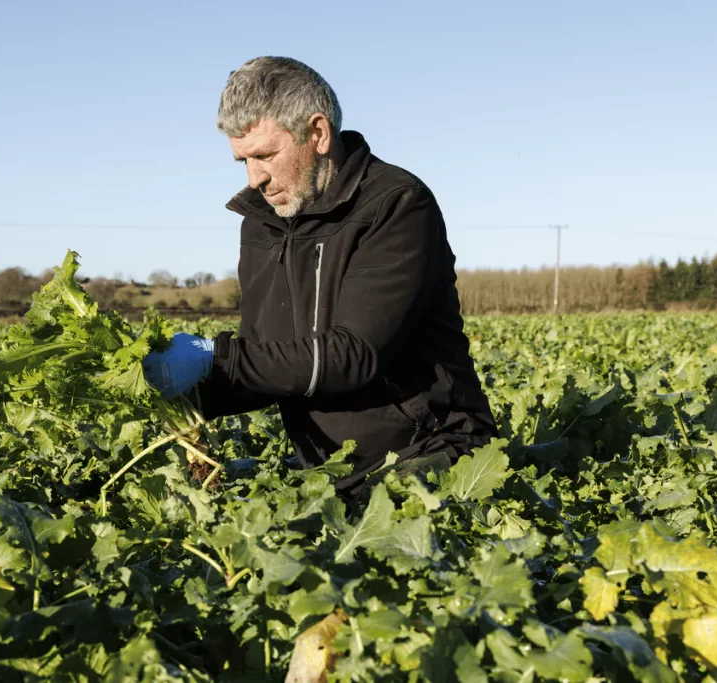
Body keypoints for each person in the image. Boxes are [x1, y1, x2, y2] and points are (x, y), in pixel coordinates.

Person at [142, 56, 497, 495]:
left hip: (431, 451)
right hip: (328, 469)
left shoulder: (397, 205)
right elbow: (270, 362)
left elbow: (355, 355)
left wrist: (215, 357)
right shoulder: (262, 225)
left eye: (265, 155)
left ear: (318, 133)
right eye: (242, 161)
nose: (254, 179)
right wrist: (189, 389)